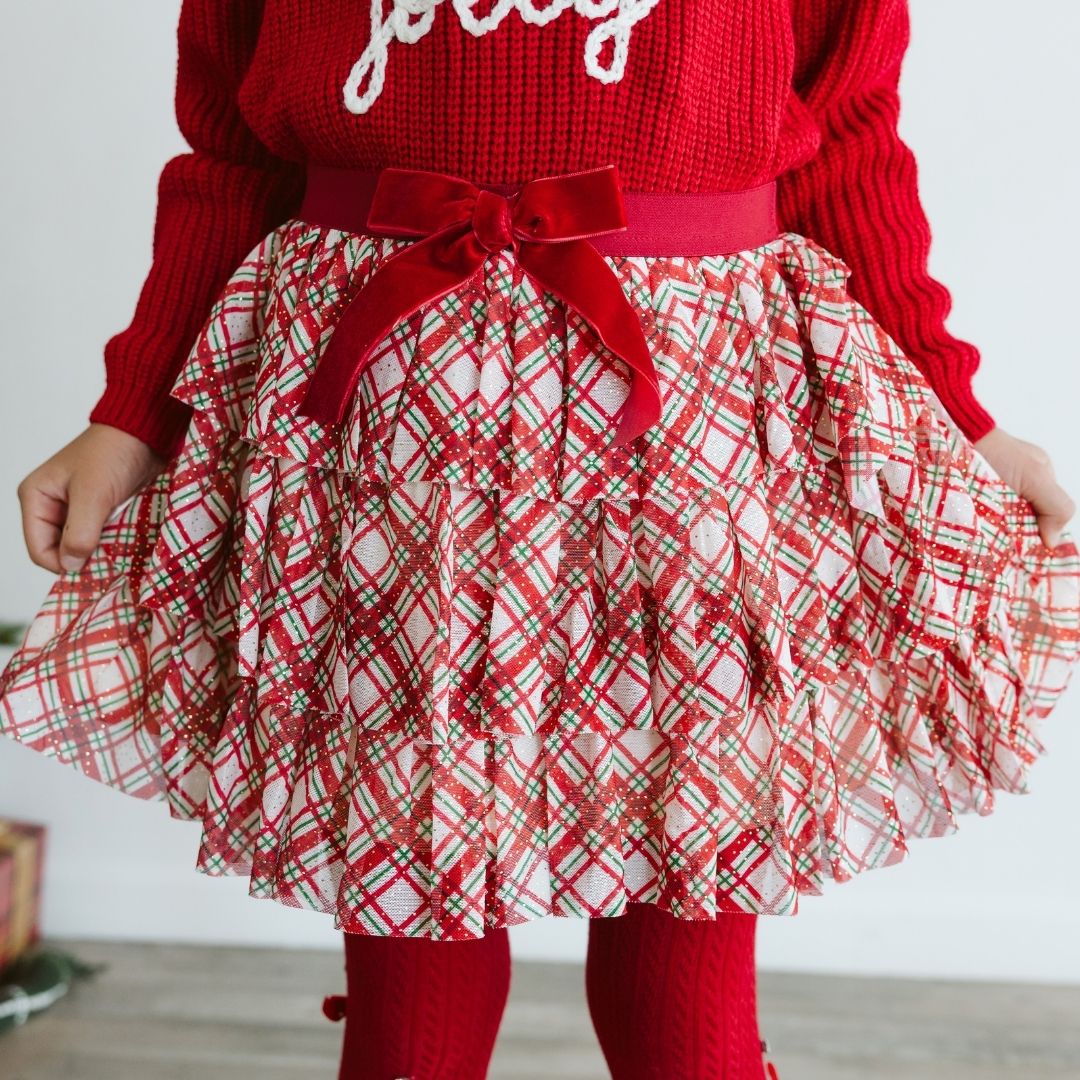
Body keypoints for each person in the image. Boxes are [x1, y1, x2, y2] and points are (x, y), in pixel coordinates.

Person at [3, 2, 1079, 1078]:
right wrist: (131, 414)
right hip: (391, 421)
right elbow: (233, 159)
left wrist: (955, 410)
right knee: (414, 864)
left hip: (692, 411)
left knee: (688, 870)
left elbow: (845, 139)